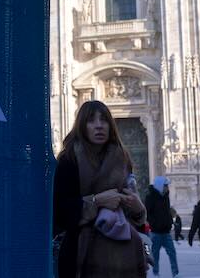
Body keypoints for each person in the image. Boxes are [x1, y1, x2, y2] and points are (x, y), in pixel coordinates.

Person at [53, 101, 150, 277]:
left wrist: (138, 209)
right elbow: (59, 213)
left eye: (104, 120)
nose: (99, 126)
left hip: (123, 255)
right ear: (82, 125)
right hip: (80, 254)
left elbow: (134, 215)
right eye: (91, 120)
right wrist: (96, 202)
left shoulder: (122, 159)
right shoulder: (69, 160)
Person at [143, 176, 179, 276]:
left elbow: (167, 212)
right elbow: (147, 212)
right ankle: (156, 272)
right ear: (160, 186)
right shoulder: (150, 197)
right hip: (155, 232)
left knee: (172, 252)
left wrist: (169, 222)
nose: (167, 187)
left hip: (166, 231)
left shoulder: (166, 197)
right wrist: (153, 224)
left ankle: (175, 273)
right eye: (165, 185)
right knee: (155, 254)